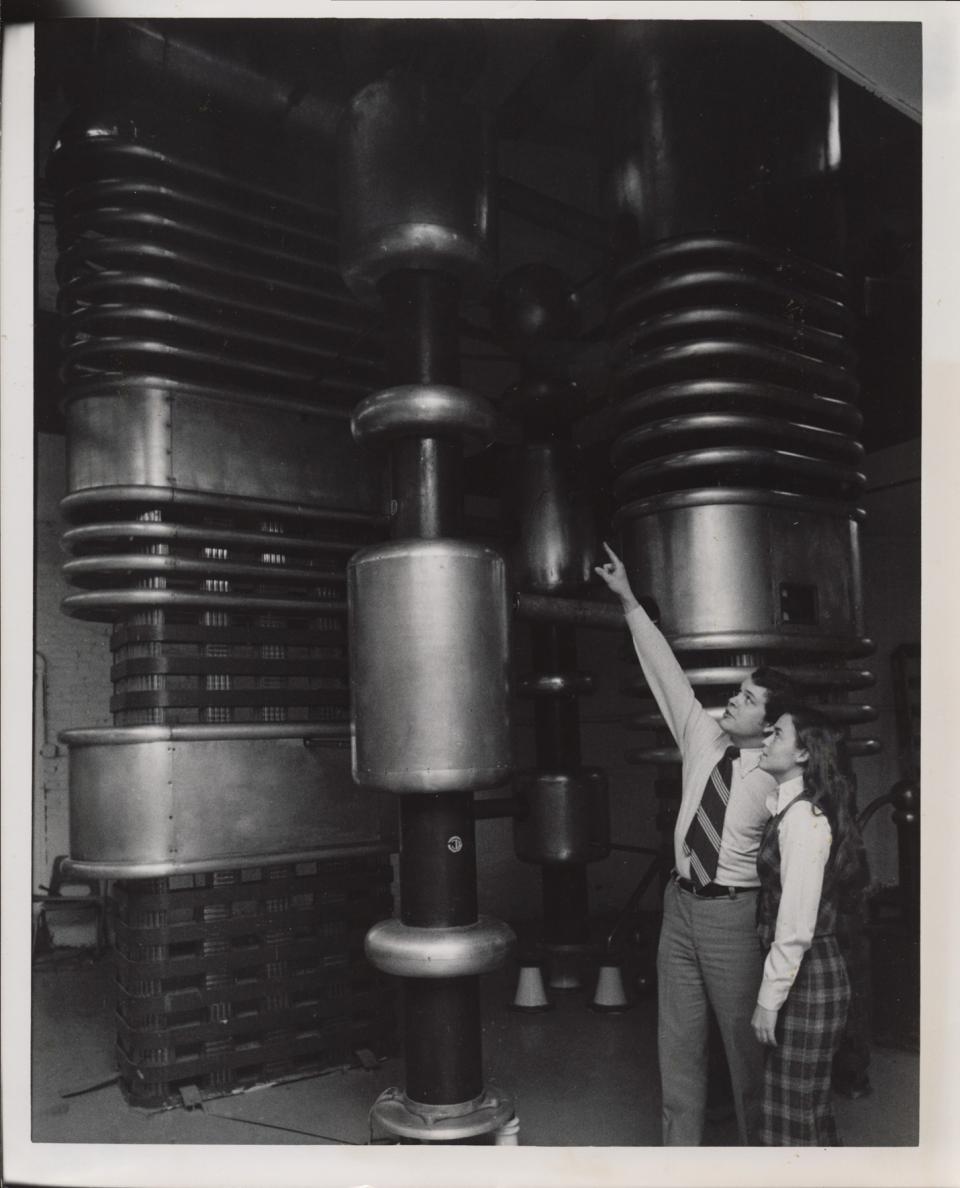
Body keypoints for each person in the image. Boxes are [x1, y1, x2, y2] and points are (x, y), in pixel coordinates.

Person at [595, 542, 795, 1146]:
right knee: (677, 1053)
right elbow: (666, 672)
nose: (733, 698)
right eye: (737, 690)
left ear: (771, 721)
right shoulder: (705, 741)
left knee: (747, 1056)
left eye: (749, 697)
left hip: (734, 918)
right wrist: (629, 599)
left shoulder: (779, 777)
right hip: (678, 909)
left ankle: (764, 1162)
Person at [751, 704, 867, 1145]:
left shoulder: (803, 821)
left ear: (803, 754)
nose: (765, 740)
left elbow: (795, 926)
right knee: (802, 1112)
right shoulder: (790, 811)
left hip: (810, 976)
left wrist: (768, 999)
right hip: (807, 973)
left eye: (776, 734)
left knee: (792, 1120)